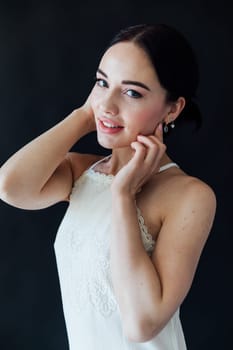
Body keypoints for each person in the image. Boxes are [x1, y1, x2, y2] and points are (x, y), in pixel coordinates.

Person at [0, 24, 216, 349]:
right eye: (102, 82)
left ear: (173, 108)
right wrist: (87, 114)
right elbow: (10, 187)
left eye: (132, 92)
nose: (109, 105)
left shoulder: (190, 196)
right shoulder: (80, 172)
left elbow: (142, 324)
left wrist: (123, 195)